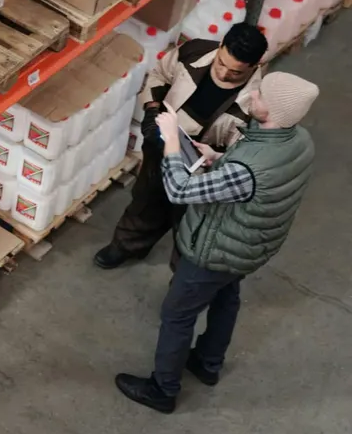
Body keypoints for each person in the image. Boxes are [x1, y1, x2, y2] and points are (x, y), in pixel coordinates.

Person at [116, 72, 318, 413]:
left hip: (216, 249)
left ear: (273, 110)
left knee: (177, 315)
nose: (252, 96)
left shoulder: (248, 170)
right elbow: (252, 169)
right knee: (226, 296)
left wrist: (170, 142)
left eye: (260, 95)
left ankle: (162, 389)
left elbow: (179, 190)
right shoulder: (299, 140)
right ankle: (208, 363)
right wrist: (216, 157)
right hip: (248, 246)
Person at [94, 23, 269, 269]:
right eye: (221, 63)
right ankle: (127, 245)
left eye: (235, 73)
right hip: (162, 144)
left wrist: (217, 156)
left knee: (189, 226)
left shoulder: (257, 102)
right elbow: (160, 75)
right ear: (220, 46)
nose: (224, 73)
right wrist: (152, 109)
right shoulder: (194, 52)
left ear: (255, 66)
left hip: (203, 173)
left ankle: (181, 275)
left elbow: (249, 152)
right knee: (146, 199)